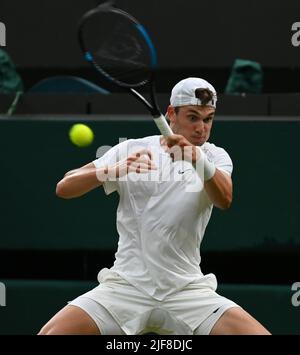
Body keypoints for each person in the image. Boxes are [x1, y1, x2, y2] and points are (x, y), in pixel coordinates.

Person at [39, 78, 270, 335]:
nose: (201, 128)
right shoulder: (130, 148)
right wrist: (114, 170)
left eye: (208, 119)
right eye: (193, 117)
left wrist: (198, 160)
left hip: (187, 290)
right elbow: (65, 187)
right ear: (171, 113)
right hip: (126, 286)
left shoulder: (215, 156)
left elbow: (224, 198)